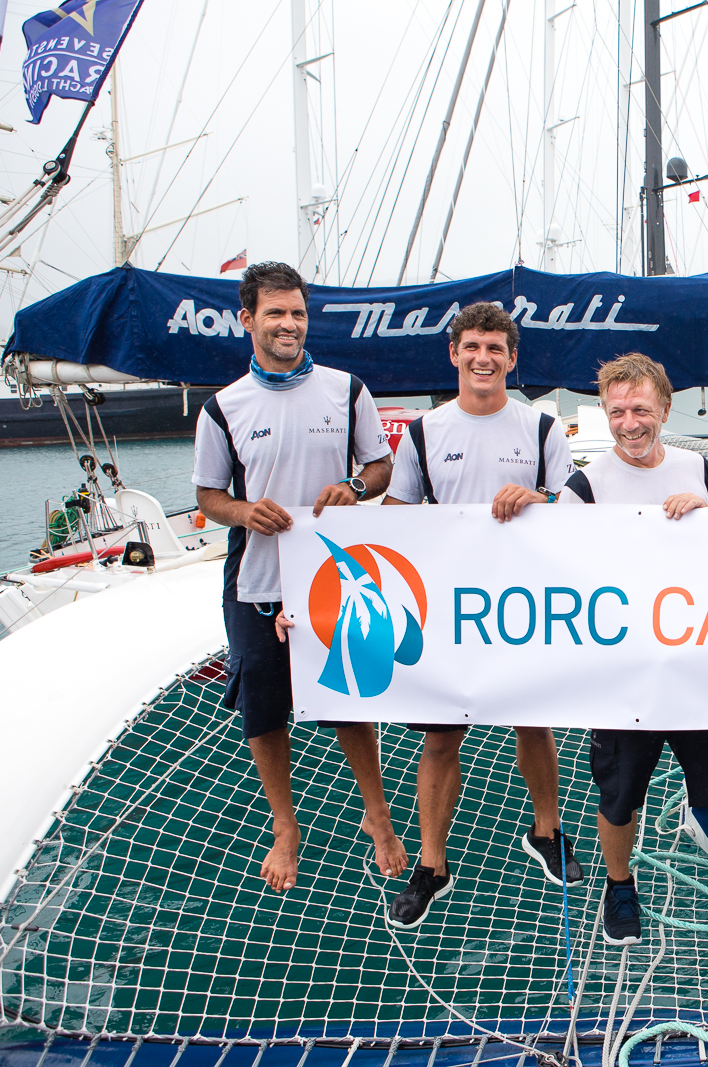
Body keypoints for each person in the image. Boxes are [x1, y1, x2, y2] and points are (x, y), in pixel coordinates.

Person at [563, 353, 708, 947]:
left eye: (641, 409)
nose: (629, 423)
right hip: (626, 670)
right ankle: (620, 888)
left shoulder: (698, 467)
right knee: (618, 796)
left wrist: (705, 515)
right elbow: (556, 569)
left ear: (664, 409)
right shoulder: (585, 486)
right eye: (617, 411)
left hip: (696, 663)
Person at [192, 261, 403, 894]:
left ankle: (378, 815)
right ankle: (286, 825)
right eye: (276, 313)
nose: (289, 324)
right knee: (264, 706)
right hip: (256, 579)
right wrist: (243, 511)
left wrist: (354, 487)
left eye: (298, 313)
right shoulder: (221, 407)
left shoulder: (346, 390)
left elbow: (381, 466)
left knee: (344, 697)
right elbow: (208, 496)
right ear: (247, 319)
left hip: (332, 576)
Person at [380, 301, 581, 928]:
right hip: (446, 606)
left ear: (512, 358)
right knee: (440, 737)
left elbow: (577, 508)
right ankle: (431, 865)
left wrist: (542, 497)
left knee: (533, 720)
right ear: (454, 355)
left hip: (522, 603)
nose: (483, 358)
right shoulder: (422, 432)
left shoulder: (542, 429)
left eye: (496, 348)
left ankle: (545, 831)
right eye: (472, 347)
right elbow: (394, 516)